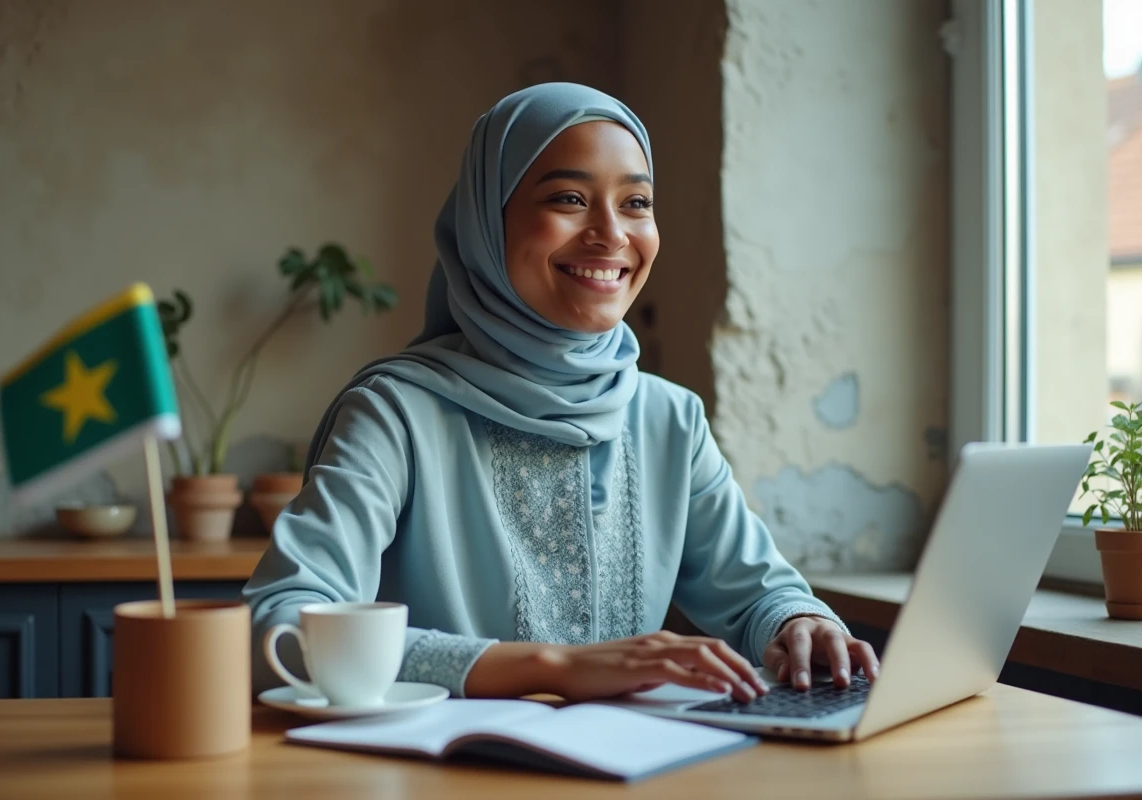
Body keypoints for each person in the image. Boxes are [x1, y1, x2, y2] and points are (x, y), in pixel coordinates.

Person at [243, 82, 879, 704]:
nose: (611, 234)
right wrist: (553, 667)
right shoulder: (395, 414)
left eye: (636, 203)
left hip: (629, 770)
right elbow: (279, 632)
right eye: (570, 199)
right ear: (486, 223)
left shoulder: (669, 419)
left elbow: (756, 592)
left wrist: (799, 624)